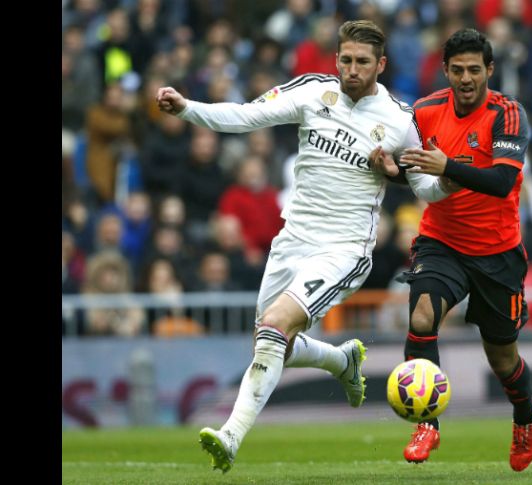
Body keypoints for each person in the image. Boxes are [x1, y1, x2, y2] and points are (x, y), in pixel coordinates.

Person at [156, 20, 454, 473]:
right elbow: (245, 115)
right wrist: (186, 109)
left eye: (363, 62)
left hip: (345, 247)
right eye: (346, 60)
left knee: (275, 327)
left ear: (382, 65)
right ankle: (342, 360)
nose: (352, 70)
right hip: (293, 238)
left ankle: (230, 436)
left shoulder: (400, 119)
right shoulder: (314, 91)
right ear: (336, 59)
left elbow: (426, 189)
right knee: (270, 340)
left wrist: (443, 173)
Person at [371, 28, 532, 472]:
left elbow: (502, 182)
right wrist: (391, 168)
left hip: (497, 251)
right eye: (457, 70)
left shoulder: (508, 115)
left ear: (489, 70)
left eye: (474, 70)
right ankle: (428, 423)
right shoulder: (424, 111)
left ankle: (526, 414)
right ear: (445, 70)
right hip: (441, 241)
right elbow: (415, 174)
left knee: (501, 357)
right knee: (423, 315)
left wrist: (448, 165)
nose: (466, 79)